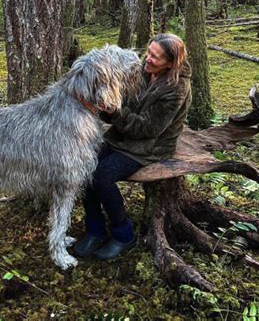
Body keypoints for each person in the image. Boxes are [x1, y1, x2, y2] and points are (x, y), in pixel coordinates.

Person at [74, 33, 192, 260]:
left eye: (155, 57)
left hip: (149, 147)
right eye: (149, 52)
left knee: (101, 176)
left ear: (171, 62)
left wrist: (115, 112)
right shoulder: (144, 72)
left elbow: (148, 129)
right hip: (122, 137)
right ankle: (95, 229)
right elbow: (122, 104)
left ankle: (123, 235)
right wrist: (106, 107)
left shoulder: (176, 88)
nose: (147, 59)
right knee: (84, 166)